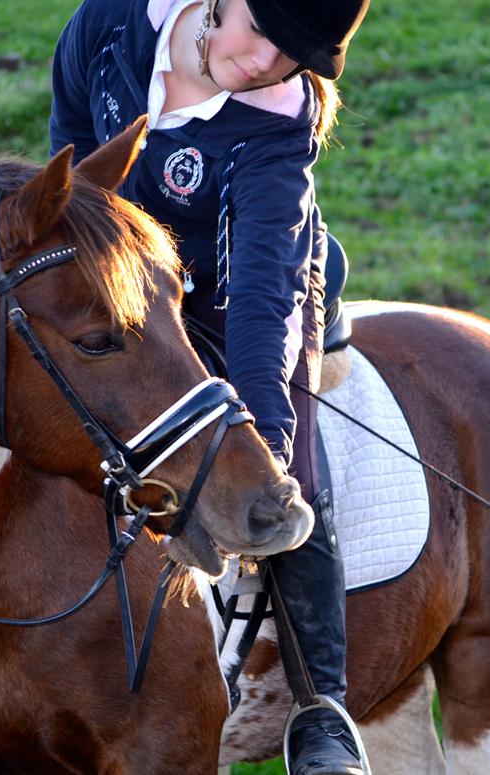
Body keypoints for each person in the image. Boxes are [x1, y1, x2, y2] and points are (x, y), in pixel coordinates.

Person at [49, 1, 369, 773]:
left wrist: (267, 445)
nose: (263, 62)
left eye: (292, 56)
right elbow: (68, 162)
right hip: (124, 289)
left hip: (244, 295)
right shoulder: (111, 24)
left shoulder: (279, 122)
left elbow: (263, 299)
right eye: (258, 31)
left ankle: (322, 707)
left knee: (284, 468)